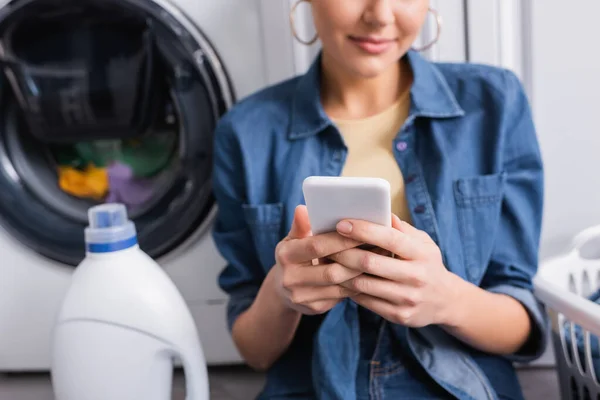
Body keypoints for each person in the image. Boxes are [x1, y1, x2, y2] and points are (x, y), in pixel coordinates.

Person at [211, 1, 547, 399]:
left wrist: (446, 300)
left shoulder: (494, 103)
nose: (380, 16)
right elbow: (256, 353)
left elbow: (521, 325)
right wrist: (281, 293)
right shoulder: (246, 132)